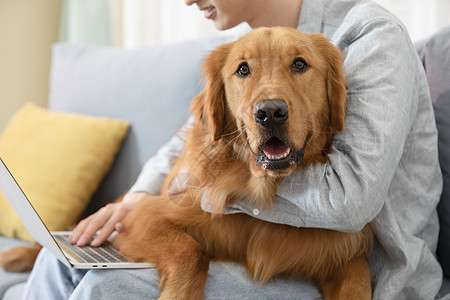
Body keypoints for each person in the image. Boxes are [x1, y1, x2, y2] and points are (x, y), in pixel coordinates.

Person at [23, 0, 444, 299]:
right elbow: (190, 136)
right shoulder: (242, 52)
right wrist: (135, 199)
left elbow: (352, 200)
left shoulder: (371, 34)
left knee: (106, 287)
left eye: (299, 66)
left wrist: (218, 192)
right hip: (258, 249)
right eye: (245, 71)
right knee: (58, 261)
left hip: (374, 274)